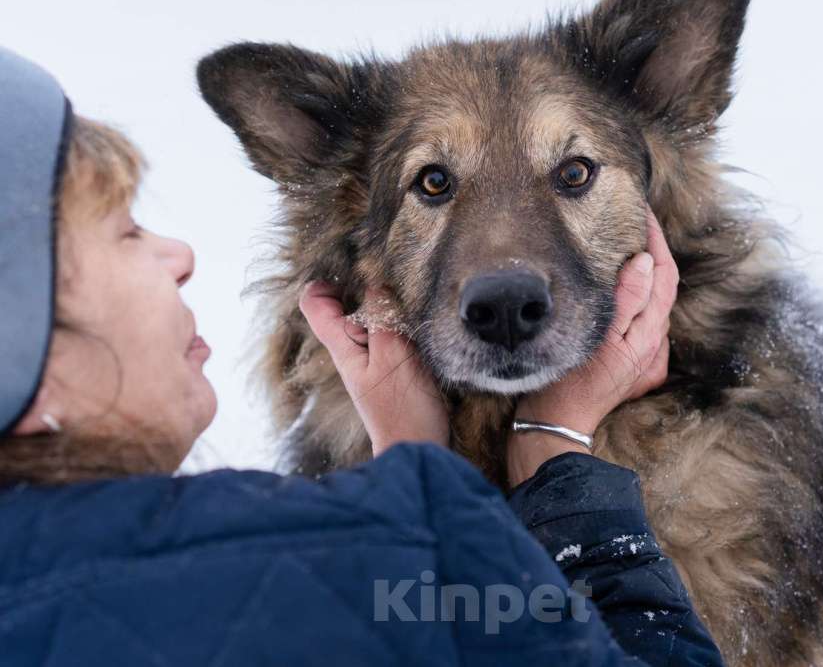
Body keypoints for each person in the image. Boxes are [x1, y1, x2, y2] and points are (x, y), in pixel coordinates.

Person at [0, 46, 724, 666]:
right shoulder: (247, 570)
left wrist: (413, 463)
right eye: (127, 234)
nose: (181, 255)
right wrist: (556, 458)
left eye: (573, 175)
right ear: (24, 359)